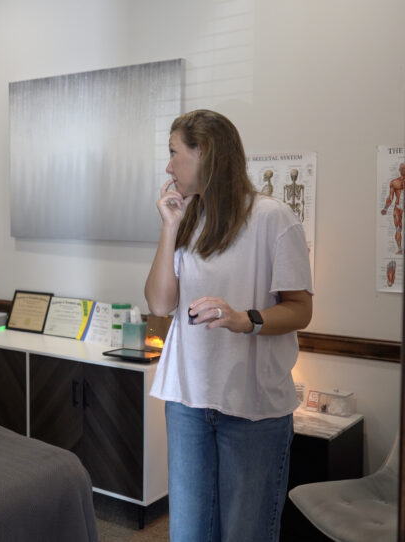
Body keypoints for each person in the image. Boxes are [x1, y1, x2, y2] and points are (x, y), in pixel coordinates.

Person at [144, 110, 313, 542]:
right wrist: (169, 228)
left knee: (246, 533)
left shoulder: (273, 218)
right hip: (188, 402)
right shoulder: (186, 219)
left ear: (206, 153)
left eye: (174, 153)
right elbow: (160, 303)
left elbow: (300, 310)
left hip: (253, 408)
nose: (167, 166)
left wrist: (245, 319)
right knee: (189, 534)